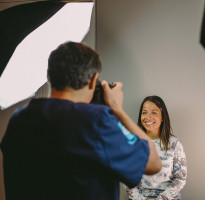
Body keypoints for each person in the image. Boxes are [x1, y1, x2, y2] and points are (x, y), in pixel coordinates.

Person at [0, 42, 162, 200]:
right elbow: (153, 163)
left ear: (49, 76)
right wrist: (117, 109)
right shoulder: (95, 121)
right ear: (93, 80)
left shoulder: (19, 119)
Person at [124, 96, 187, 200]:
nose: (148, 117)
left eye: (154, 113)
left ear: (162, 117)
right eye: (144, 112)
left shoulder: (174, 143)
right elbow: (126, 175)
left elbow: (180, 178)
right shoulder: (132, 141)